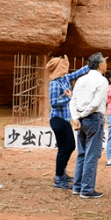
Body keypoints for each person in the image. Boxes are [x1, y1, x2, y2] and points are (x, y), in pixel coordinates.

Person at [46, 55, 90, 190]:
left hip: (64, 120)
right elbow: (53, 103)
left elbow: (77, 73)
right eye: (63, 64)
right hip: (57, 119)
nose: (67, 66)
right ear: (58, 67)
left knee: (68, 147)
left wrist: (91, 66)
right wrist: (68, 98)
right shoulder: (54, 83)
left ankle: (61, 173)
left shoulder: (64, 79)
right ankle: (59, 178)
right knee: (67, 147)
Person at [69, 52, 108, 199]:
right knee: (92, 155)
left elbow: (73, 100)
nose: (106, 65)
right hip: (93, 118)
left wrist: (76, 116)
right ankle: (87, 189)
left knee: (82, 153)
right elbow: (96, 103)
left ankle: (77, 186)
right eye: (104, 62)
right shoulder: (102, 81)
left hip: (81, 119)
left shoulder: (81, 80)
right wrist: (82, 115)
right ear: (99, 65)